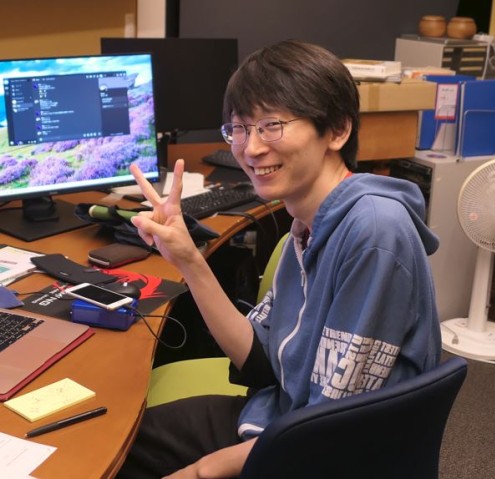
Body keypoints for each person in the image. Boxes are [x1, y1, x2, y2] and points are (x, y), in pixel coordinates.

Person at [117, 39, 441, 479]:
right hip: (283, 417)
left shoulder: (374, 232)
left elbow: (330, 431)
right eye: (240, 129)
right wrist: (189, 260)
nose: (250, 149)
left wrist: (202, 470)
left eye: (271, 125)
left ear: (338, 130)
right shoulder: (306, 226)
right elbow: (262, 360)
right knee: (120, 442)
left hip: (331, 457)